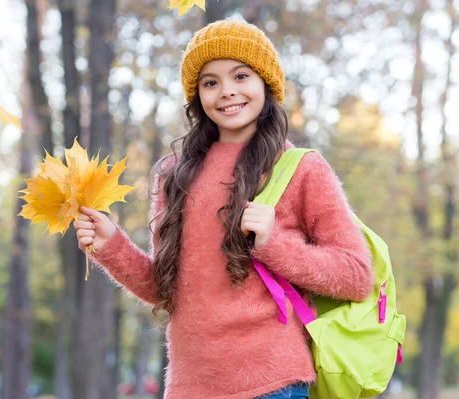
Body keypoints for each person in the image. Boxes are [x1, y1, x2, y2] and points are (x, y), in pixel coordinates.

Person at [74, 19, 373, 399]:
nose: (227, 92)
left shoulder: (300, 168)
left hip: (271, 384)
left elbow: (356, 276)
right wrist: (111, 246)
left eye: (241, 76)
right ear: (197, 95)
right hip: (189, 387)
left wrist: (274, 243)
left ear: (266, 82)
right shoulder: (173, 175)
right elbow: (166, 289)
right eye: (210, 82)